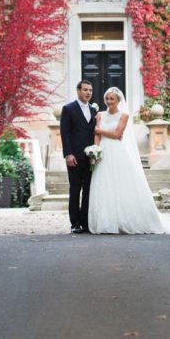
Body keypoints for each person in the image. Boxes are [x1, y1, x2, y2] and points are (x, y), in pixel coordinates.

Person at [88, 87, 170, 235]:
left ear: (118, 101)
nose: (109, 101)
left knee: (119, 185)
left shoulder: (124, 116)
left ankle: (123, 220)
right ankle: (106, 222)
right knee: (104, 184)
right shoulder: (100, 115)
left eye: (112, 99)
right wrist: (94, 151)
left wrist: (100, 131)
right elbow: (96, 136)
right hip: (103, 152)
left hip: (117, 151)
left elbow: (116, 134)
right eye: (107, 99)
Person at [60, 79, 97, 233]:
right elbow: (65, 133)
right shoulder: (68, 109)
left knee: (88, 190)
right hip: (74, 157)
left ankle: (85, 222)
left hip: (90, 158)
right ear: (78, 91)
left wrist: (95, 152)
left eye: (90, 90)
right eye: (85, 90)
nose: (88, 92)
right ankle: (75, 223)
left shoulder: (94, 110)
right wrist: (68, 154)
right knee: (75, 190)